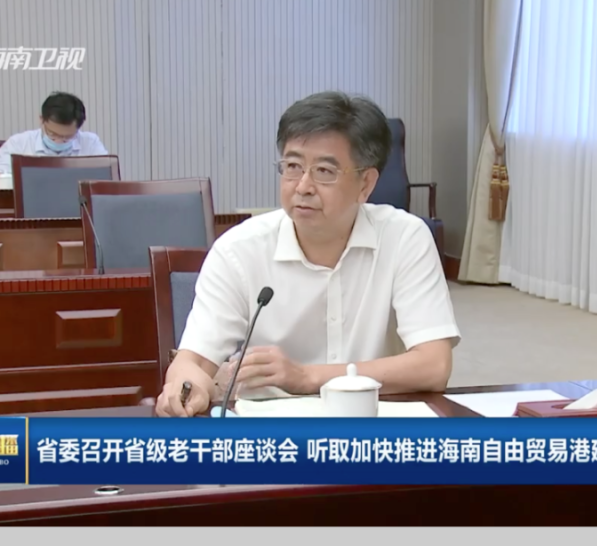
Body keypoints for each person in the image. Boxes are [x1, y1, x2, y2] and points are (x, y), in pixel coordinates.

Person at [155, 91, 460, 418]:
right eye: (292, 166)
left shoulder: (404, 238)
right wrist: (185, 386)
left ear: (366, 184)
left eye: (324, 171)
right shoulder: (238, 251)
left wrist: (306, 377)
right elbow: (193, 361)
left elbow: (433, 365)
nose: (302, 186)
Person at [0, 92, 108, 188]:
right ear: (41, 120)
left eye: (67, 137)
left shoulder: (91, 143)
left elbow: (108, 182)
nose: (58, 141)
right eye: (52, 134)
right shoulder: (19, 143)